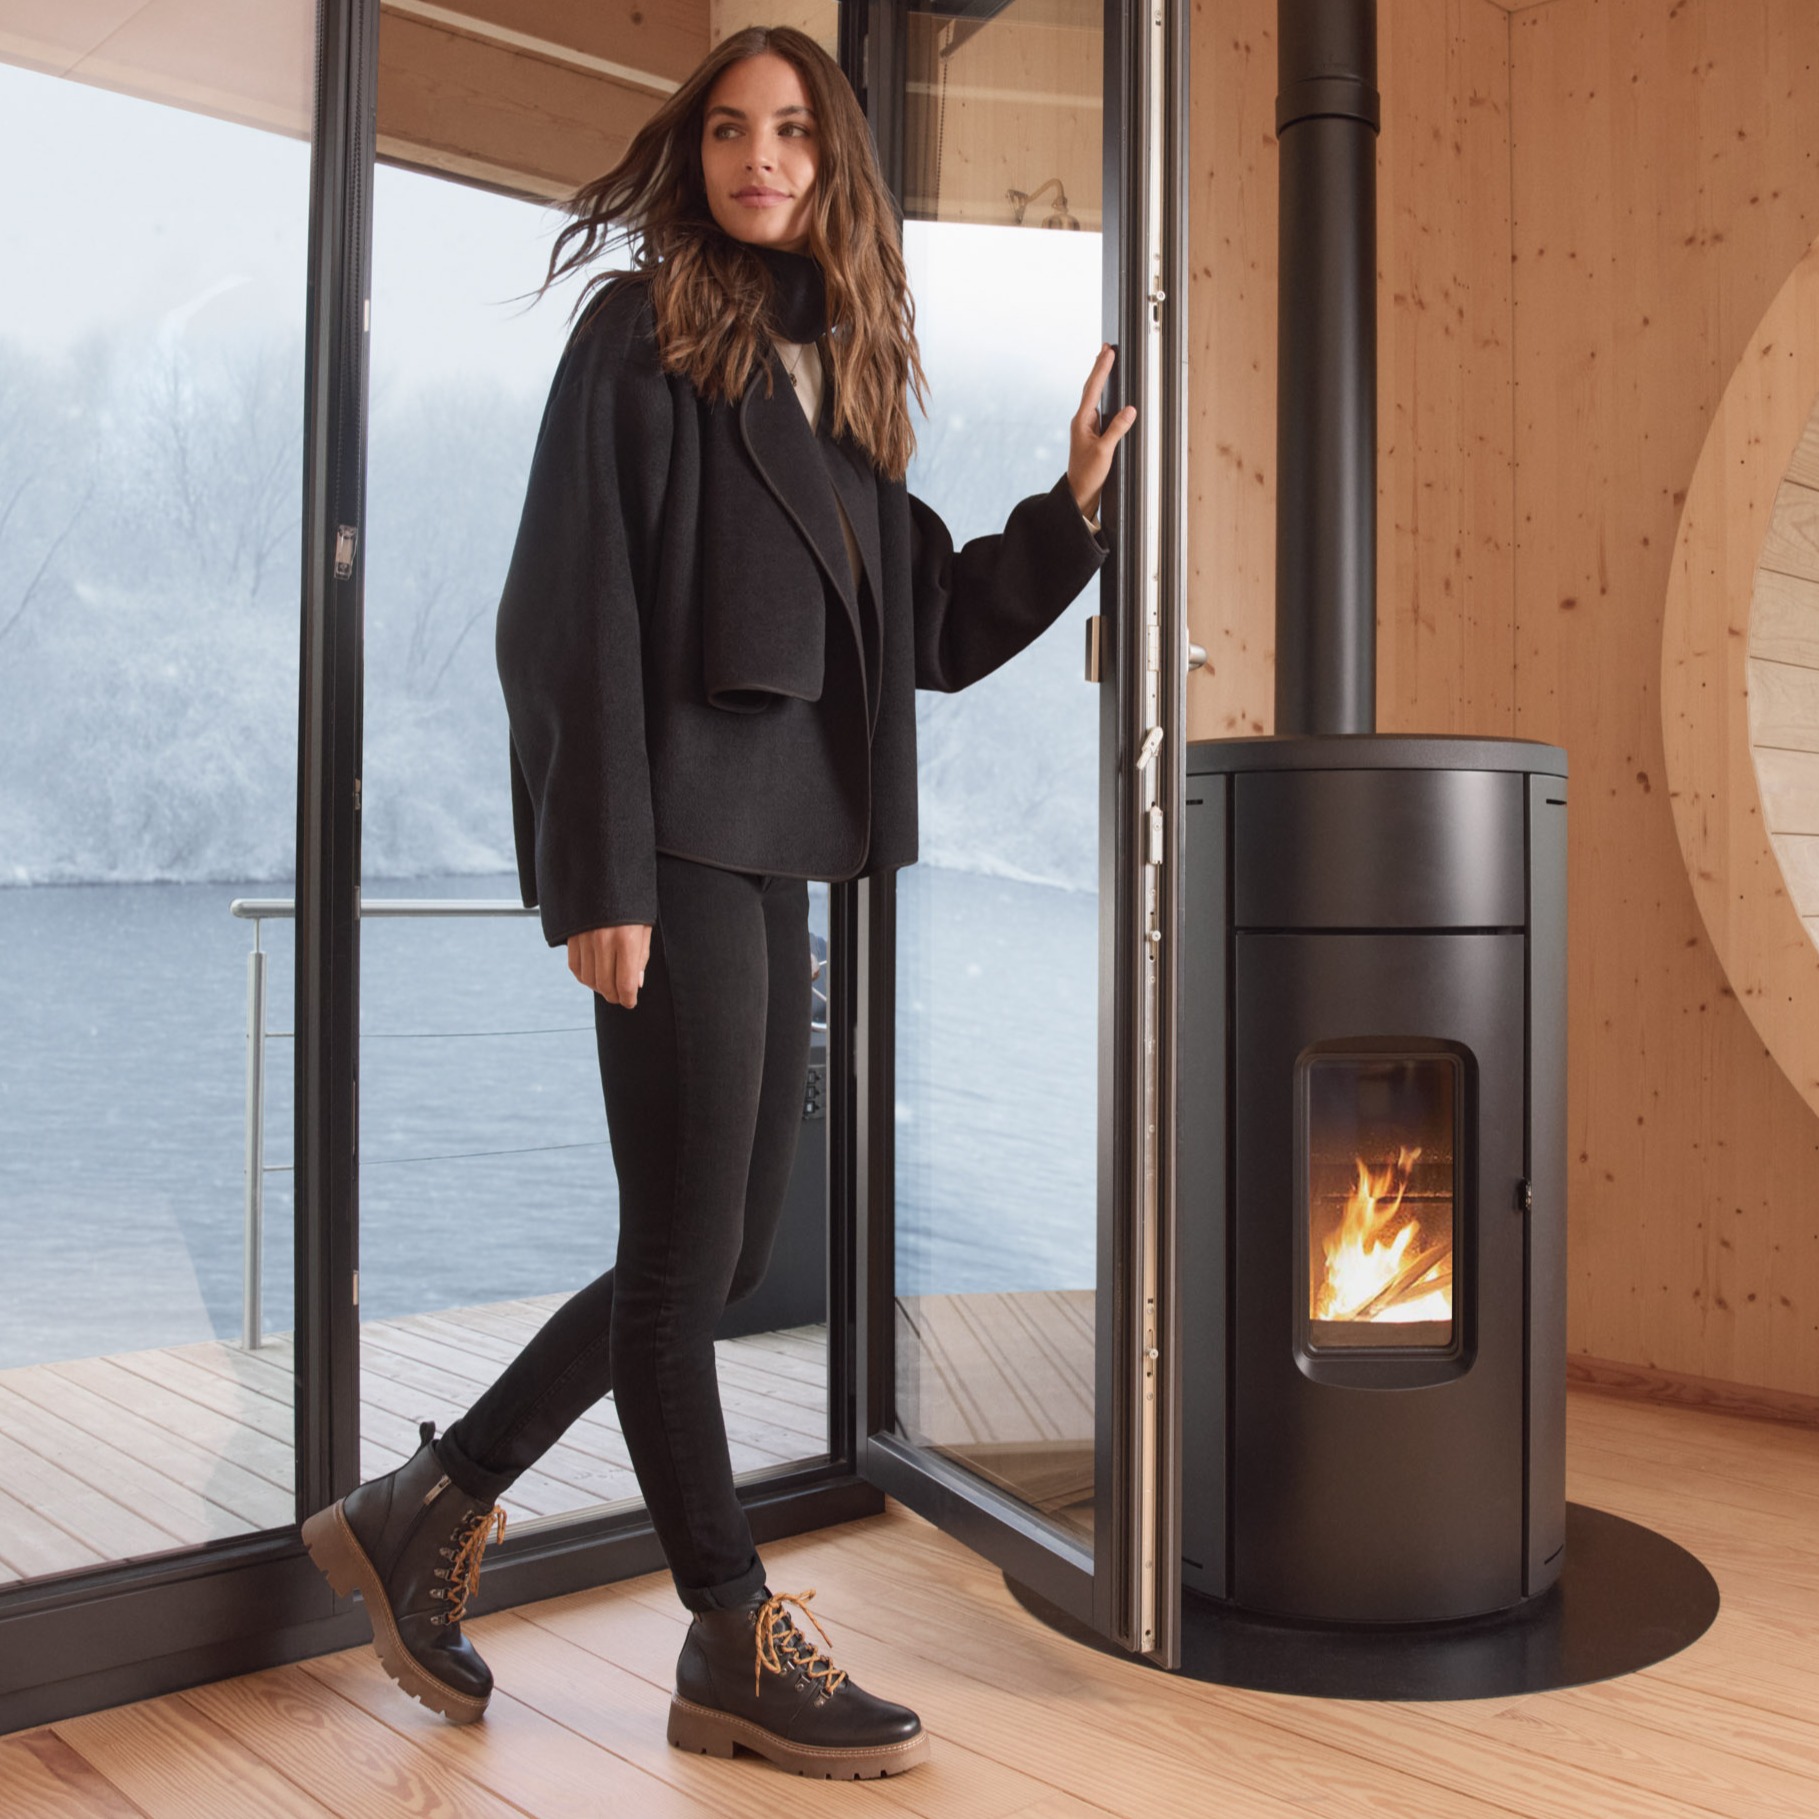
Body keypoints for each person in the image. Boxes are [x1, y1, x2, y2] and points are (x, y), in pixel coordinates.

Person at [301, 22, 1134, 1782]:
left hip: (771, 853)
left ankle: (426, 1504)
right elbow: (565, 610)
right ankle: (732, 1628)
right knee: (688, 1260)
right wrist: (596, 869)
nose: (763, 157)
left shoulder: (833, 382)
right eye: (735, 131)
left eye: (794, 135)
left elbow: (928, 630)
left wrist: (1069, 515)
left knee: (722, 1252)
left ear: (832, 168)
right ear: (698, 157)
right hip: (669, 848)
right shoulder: (643, 334)